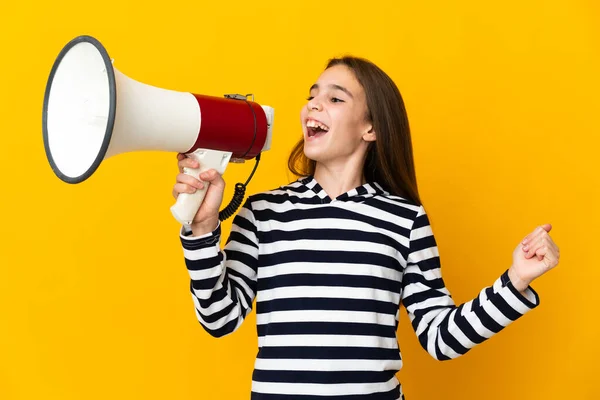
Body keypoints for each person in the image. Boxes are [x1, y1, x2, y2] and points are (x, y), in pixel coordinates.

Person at [172, 57, 560, 400]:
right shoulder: (263, 212)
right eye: (312, 95)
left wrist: (515, 282)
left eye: (335, 98)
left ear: (370, 127)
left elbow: (442, 339)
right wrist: (202, 232)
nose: (313, 104)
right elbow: (219, 319)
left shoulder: (405, 219)